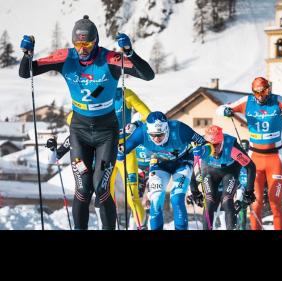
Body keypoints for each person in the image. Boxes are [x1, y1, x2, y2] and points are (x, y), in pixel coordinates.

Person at [20, 16, 155, 229]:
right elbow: (26, 72)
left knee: (101, 188)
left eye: (88, 44)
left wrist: (129, 53)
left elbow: (148, 75)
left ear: (96, 41)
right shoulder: (66, 57)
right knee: (82, 190)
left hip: (106, 133)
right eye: (78, 44)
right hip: (80, 132)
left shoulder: (109, 58)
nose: (82, 49)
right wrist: (27, 55)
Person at [216, 77, 282, 230]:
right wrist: (226, 110)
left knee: (276, 203)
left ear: (268, 89)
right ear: (253, 92)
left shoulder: (277, 100)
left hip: (275, 158)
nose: (260, 96)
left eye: (263, 92)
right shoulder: (247, 101)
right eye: (257, 92)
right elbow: (218, 110)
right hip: (254, 158)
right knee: (255, 202)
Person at [118, 111, 206, 230]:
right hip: (159, 163)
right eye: (153, 135)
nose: (156, 139)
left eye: (160, 135)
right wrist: (121, 153)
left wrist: (202, 149)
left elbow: (204, 142)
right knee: (156, 199)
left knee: (176, 198)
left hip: (183, 162)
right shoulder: (142, 132)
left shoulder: (179, 129)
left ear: (167, 129)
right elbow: (125, 146)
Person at [190, 125, 256, 230]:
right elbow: (191, 168)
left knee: (227, 199)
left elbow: (250, 167)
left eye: (216, 145)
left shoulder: (231, 146)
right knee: (209, 201)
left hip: (229, 171)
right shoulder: (201, 147)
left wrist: (249, 191)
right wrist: (194, 191)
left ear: (222, 141)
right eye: (209, 145)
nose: (213, 148)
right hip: (209, 170)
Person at [109, 88, 151, 230]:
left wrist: (136, 125)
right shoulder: (94, 93)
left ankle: (141, 227)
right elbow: (72, 116)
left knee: (132, 196)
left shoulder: (125, 94)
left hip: (126, 151)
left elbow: (149, 116)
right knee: (106, 195)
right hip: (105, 151)